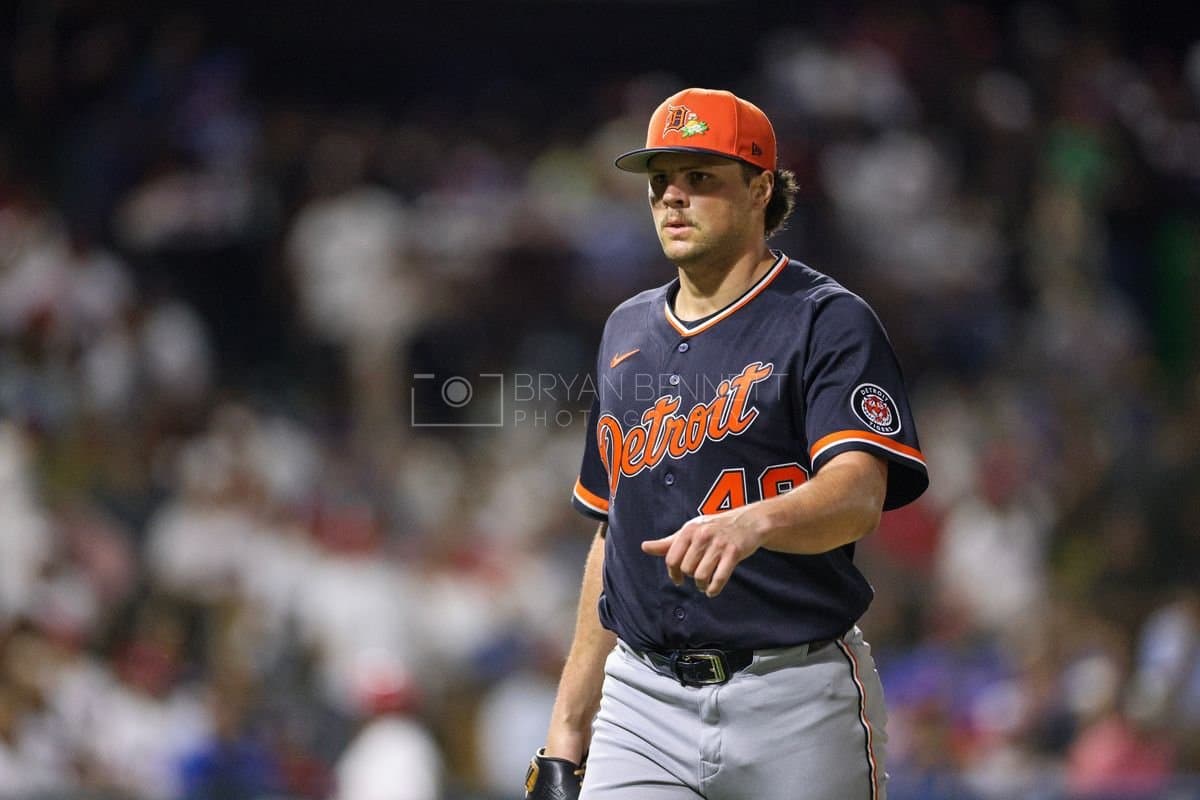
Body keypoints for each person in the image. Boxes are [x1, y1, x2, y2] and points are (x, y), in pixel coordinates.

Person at [524, 88, 929, 800]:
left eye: (700, 178)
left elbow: (860, 497)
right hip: (643, 700)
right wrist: (567, 729)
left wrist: (754, 522)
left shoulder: (826, 321)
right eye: (660, 183)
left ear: (761, 188)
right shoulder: (625, 331)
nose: (672, 199)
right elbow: (610, 536)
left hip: (794, 694)